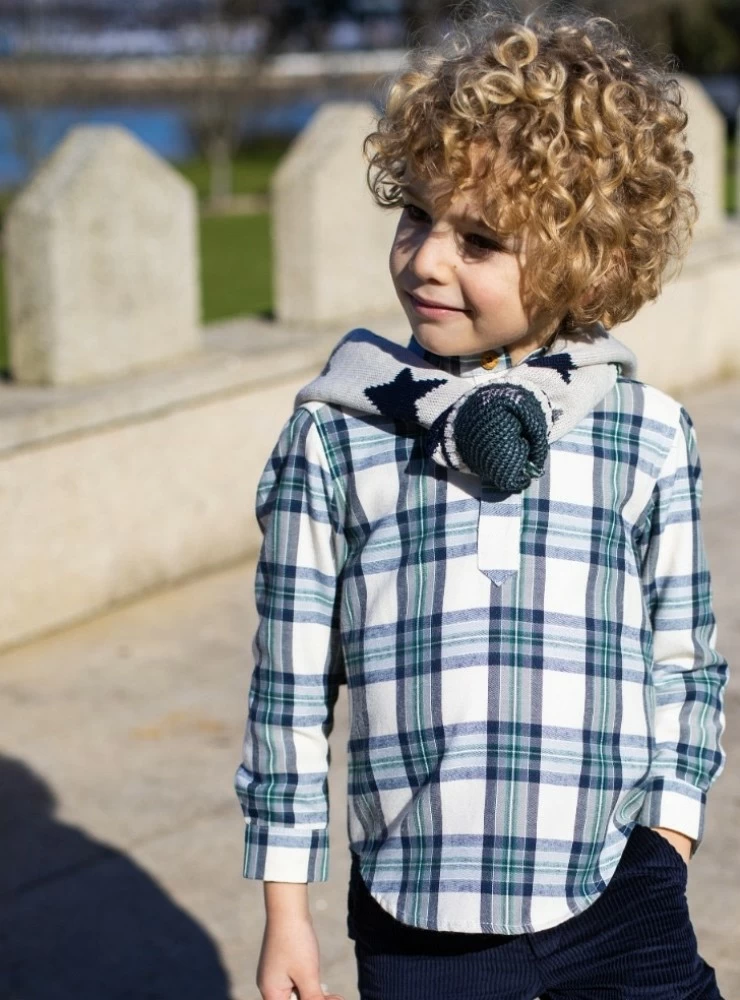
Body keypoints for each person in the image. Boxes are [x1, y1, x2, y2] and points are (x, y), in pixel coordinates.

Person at [236, 5, 730, 999]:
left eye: (479, 239)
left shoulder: (641, 434)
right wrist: (285, 911)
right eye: (416, 215)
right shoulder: (337, 433)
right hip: (417, 918)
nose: (425, 258)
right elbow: (287, 692)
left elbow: (685, 659)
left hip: (614, 893)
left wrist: (665, 838)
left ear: (585, 251)